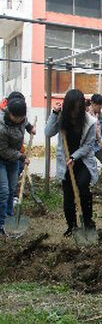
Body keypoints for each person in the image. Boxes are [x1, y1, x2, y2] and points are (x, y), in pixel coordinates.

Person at [45, 89, 98, 235]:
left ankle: (87, 222)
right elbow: (48, 132)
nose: (74, 113)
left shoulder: (90, 122)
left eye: (78, 109)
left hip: (83, 161)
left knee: (83, 188)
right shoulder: (61, 118)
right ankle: (72, 226)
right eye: (72, 109)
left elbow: (88, 146)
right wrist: (54, 114)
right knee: (68, 197)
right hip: (66, 162)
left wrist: (74, 157)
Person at [0, 98, 31, 236]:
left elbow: (25, 122)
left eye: (21, 117)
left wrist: (30, 128)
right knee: (4, 191)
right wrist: (21, 157)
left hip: (13, 160)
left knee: (12, 189)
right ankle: (1, 223)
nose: (19, 119)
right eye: (16, 117)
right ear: (10, 113)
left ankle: (9, 217)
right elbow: (3, 150)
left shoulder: (22, 118)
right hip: (1, 159)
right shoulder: (1, 128)